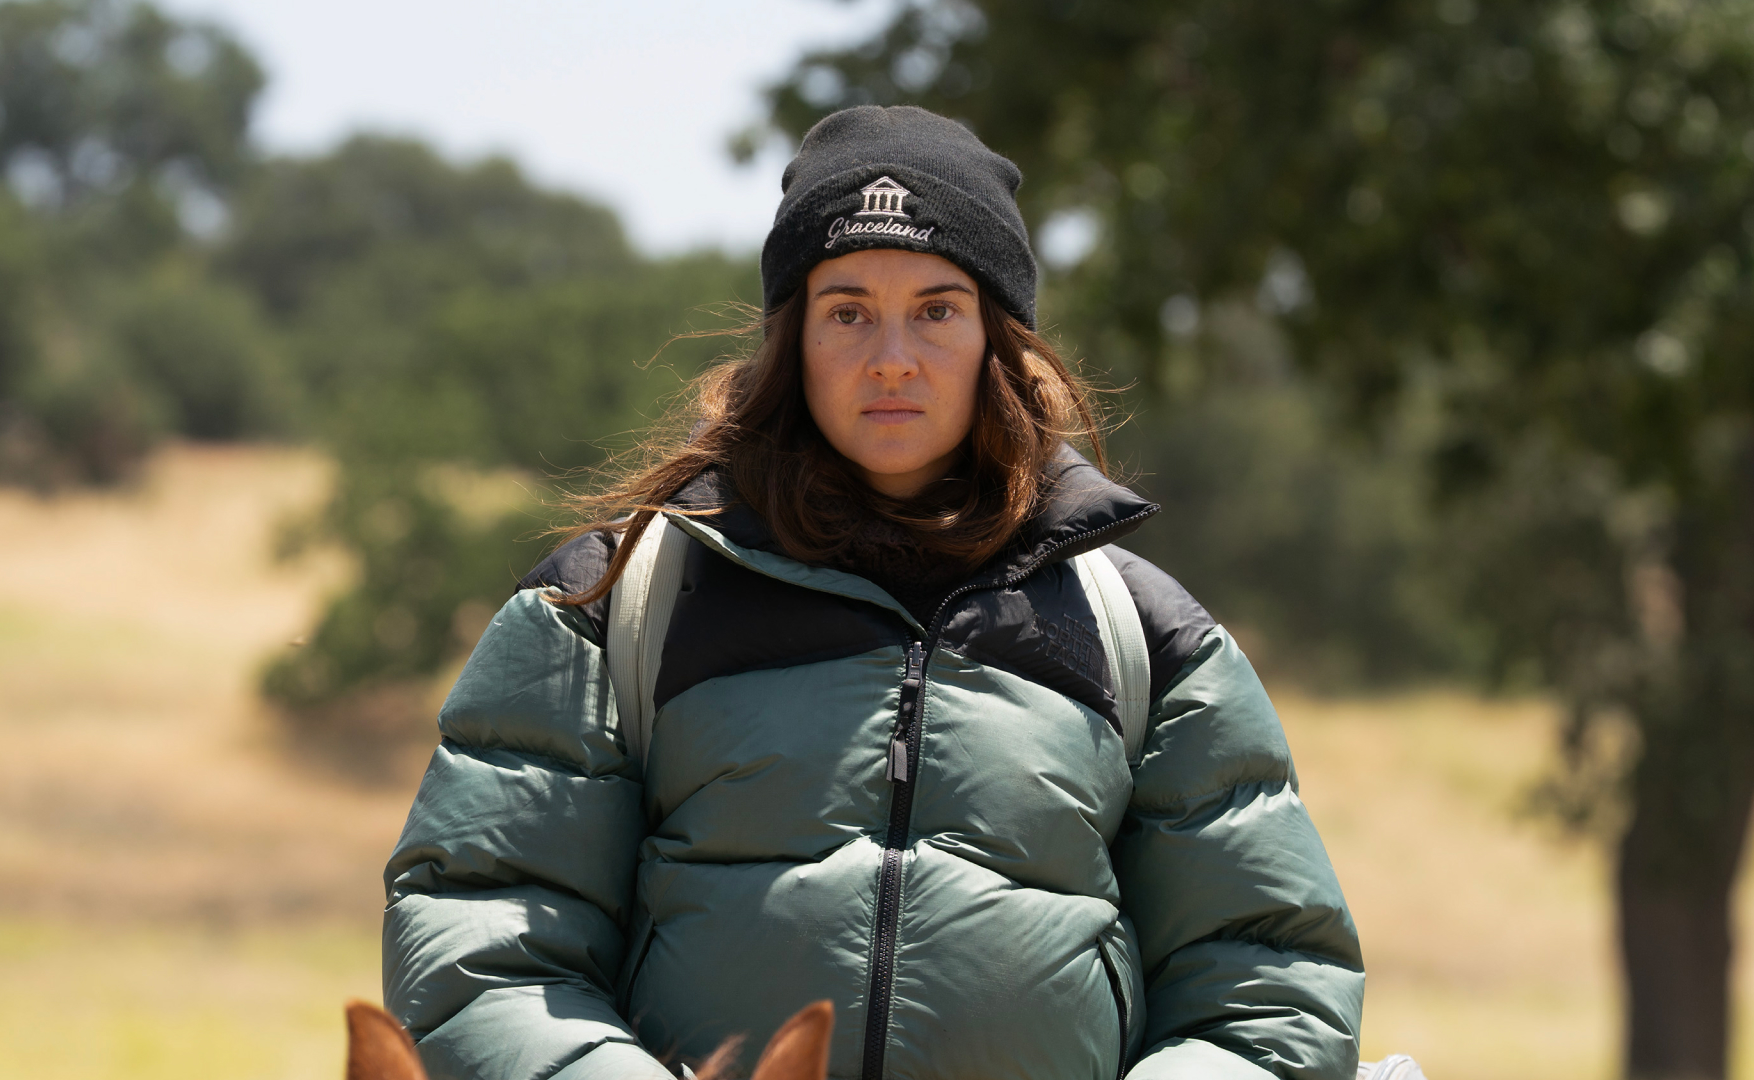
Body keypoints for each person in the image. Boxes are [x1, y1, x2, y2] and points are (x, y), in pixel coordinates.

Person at [381, 105, 1362, 1080]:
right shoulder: (607, 606)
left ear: (996, 339)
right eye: (846, 309)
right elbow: (482, 937)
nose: (891, 356)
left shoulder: (1148, 639)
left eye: (937, 309)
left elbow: (1271, 983)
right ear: (791, 339)